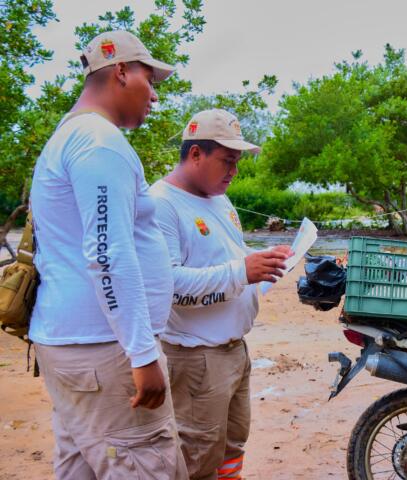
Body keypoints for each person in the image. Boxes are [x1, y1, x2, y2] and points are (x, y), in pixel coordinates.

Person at [29, 30, 187, 478]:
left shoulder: (69, 136)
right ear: (121, 71)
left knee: (80, 466)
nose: (154, 96)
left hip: (75, 346)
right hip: (104, 349)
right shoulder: (99, 143)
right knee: (143, 463)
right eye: (150, 80)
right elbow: (107, 254)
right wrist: (141, 353)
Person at [149, 109, 292, 480]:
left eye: (237, 162)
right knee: (197, 455)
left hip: (233, 350)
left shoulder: (219, 198)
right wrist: (242, 270)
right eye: (227, 161)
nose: (234, 171)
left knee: (231, 444)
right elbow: (168, 285)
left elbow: (231, 260)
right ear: (195, 154)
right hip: (197, 357)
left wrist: (266, 266)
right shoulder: (161, 203)